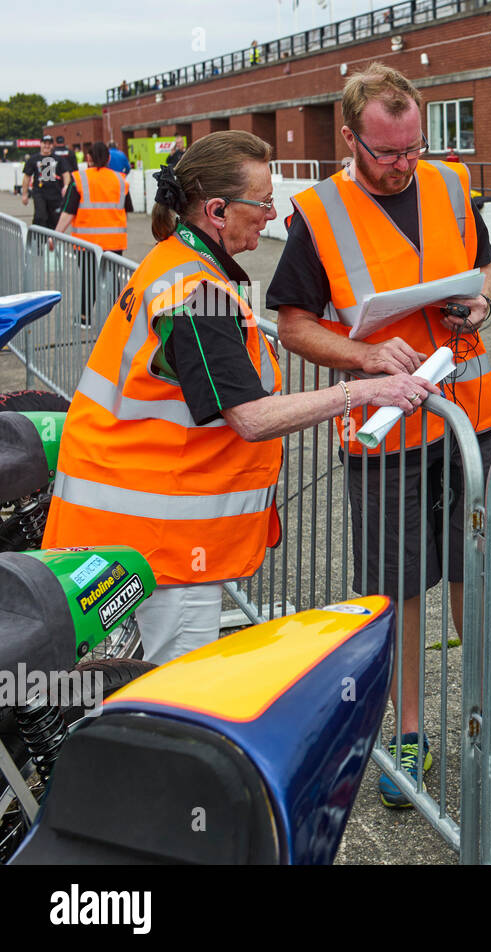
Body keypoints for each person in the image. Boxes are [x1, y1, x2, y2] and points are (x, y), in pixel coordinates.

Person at [42, 130, 434, 664]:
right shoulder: (195, 292)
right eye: (264, 203)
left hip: (132, 531)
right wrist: (367, 390)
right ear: (219, 210)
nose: (271, 215)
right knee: (175, 706)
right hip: (162, 546)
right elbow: (249, 417)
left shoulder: (177, 262)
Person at [266, 62, 491, 807]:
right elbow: (292, 324)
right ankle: (408, 732)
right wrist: (365, 355)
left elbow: (483, 266)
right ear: (351, 138)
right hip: (386, 431)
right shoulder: (318, 212)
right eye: (387, 153)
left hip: (468, 417)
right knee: (400, 589)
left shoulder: (450, 186)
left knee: (474, 574)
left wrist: (482, 304)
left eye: (413, 147)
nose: (403, 165)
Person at [53, 141, 128, 325]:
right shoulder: (120, 180)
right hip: (114, 241)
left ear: (89, 158)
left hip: (87, 243)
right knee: (114, 281)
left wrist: (55, 234)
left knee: (89, 280)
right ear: (109, 158)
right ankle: (117, 319)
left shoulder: (79, 179)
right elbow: (127, 207)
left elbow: (68, 211)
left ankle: (85, 318)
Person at [20, 135, 68, 228]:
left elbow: (65, 174)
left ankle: (51, 240)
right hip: (40, 193)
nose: (47, 146)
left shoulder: (59, 159)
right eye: (44, 143)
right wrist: (24, 194)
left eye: (49, 144)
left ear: (52, 145)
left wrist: (66, 186)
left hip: (55, 194)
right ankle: (38, 238)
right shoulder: (33, 159)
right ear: (40, 144)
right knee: (40, 216)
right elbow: (27, 177)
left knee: (54, 219)